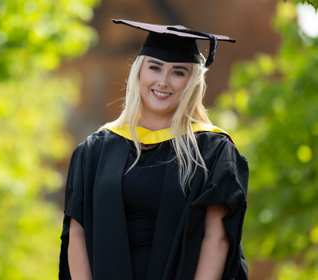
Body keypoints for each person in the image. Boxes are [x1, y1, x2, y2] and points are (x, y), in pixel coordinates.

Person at [58, 19, 249, 280]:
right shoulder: (96, 149)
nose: (164, 81)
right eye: (155, 68)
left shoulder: (211, 150)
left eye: (178, 72)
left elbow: (216, 238)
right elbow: (77, 231)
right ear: (139, 72)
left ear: (191, 82)